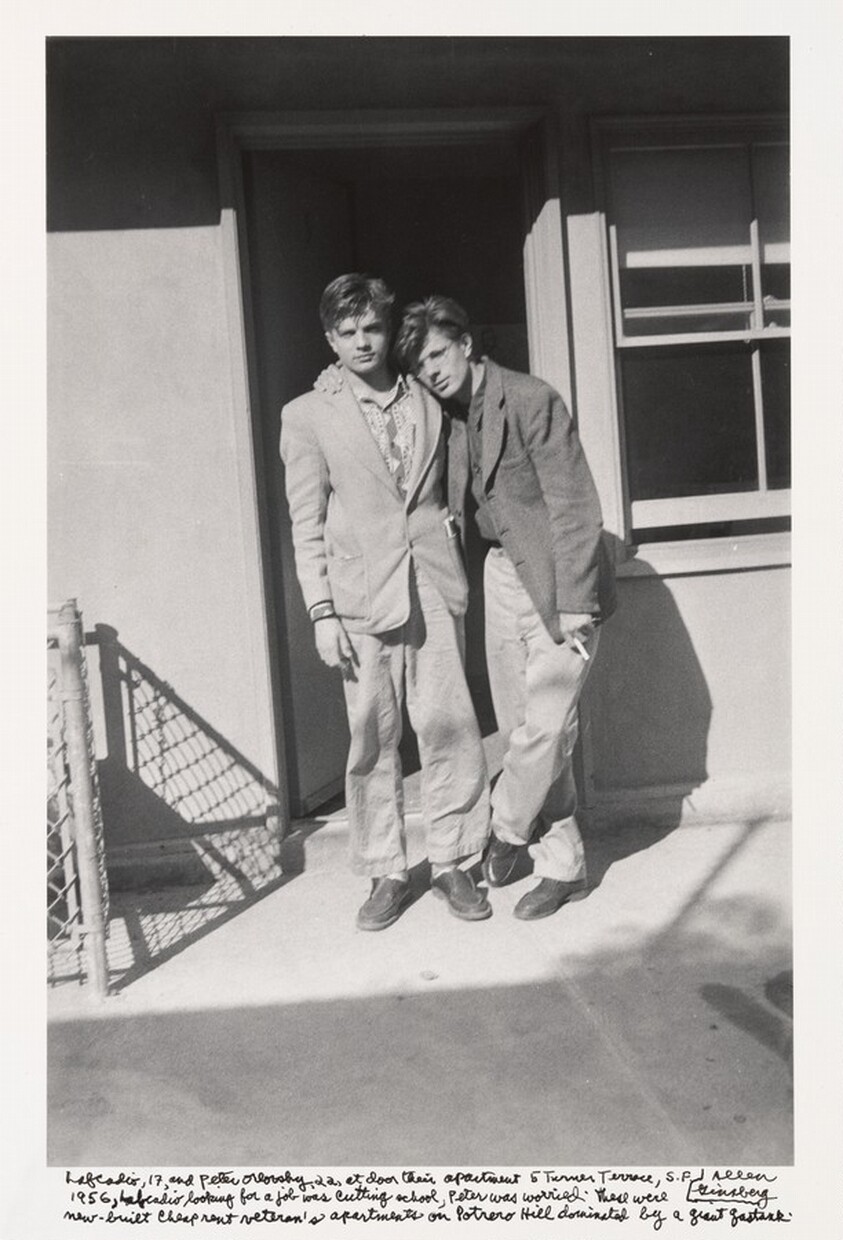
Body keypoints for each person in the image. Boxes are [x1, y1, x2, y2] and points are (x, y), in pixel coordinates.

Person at [395, 296, 617, 920]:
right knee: (526, 726)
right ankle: (564, 865)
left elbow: (576, 507)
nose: (432, 370)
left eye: (438, 353)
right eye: (420, 364)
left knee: (548, 724)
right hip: (499, 574)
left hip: (557, 580)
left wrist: (576, 601)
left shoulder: (530, 398)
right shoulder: (448, 417)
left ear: (466, 345)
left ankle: (507, 829)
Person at [279, 275, 491, 931]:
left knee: (450, 725)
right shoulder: (307, 413)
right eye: (347, 333)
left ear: (385, 326)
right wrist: (320, 612)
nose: (362, 341)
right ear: (329, 339)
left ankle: (455, 859)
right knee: (373, 739)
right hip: (358, 596)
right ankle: (384, 871)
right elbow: (305, 521)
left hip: (431, 578)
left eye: (371, 327)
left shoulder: (426, 394)